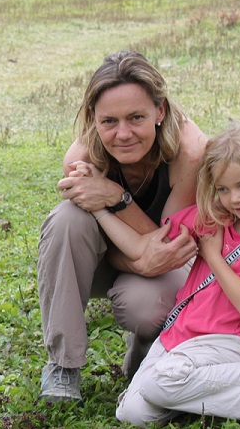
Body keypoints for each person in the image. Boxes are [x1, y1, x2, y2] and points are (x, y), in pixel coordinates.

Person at [101, 121, 240, 429]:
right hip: (178, 336)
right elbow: (148, 242)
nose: (233, 199)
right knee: (131, 414)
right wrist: (101, 210)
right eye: (223, 189)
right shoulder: (212, 218)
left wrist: (212, 255)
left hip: (227, 340)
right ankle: (218, 395)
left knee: (158, 385)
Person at [38, 50, 207, 404]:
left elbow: (169, 244)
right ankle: (63, 364)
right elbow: (134, 250)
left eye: (136, 118)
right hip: (107, 259)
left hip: (171, 261)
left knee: (146, 306)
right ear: (93, 119)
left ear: (160, 111)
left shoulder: (190, 154)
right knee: (67, 219)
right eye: (109, 121)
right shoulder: (81, 160)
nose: (123, 134)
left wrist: (115, 196)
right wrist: (135, 260)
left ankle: (149, 349)